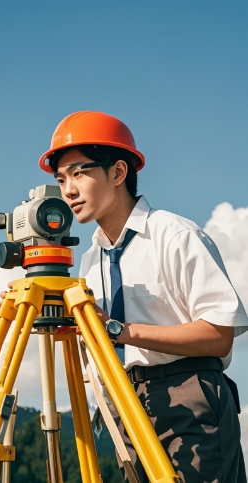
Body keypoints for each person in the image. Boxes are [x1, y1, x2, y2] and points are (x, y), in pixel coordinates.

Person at [35, 111, 247, 482]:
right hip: (126, 403)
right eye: (61, 178)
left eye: (79, 173)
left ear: (118, 172)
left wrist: (118, 329)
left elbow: (219, 333)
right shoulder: (91, 259)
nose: (68, 190)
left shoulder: (174, 235)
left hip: (188, 396)